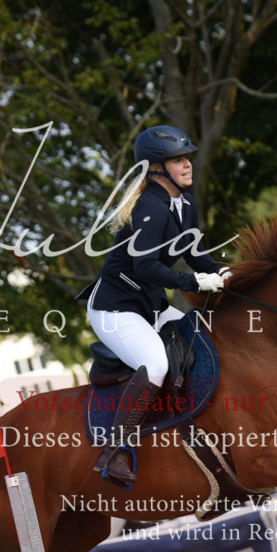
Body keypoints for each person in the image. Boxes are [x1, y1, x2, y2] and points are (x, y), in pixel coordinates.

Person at [76, 126, 229, 485]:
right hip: (115, 310)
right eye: (178, 160)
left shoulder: (184, 204)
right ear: (157, 169)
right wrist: (194, 283)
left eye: (187, 157)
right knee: (157, 366)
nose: (187, 164)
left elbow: (194, 254)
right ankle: (114, 451)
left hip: (149, 306)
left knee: (207, 338)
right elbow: (145, 267)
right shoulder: (150, 207)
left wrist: (222, 272)